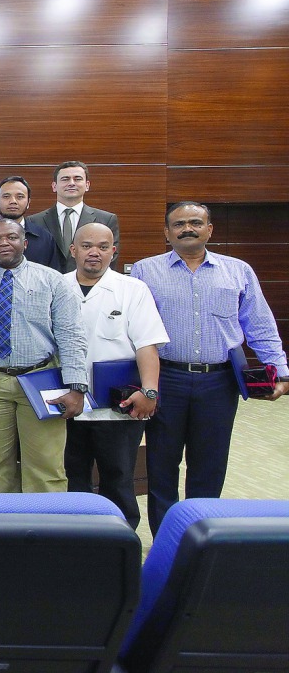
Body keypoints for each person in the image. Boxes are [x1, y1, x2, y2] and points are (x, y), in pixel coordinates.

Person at [131, 201, 288, 534]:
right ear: (167, 232)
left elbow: (259, 325)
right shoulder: (145, 270)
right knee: (161, 463)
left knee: (210, 464)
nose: (187, 228)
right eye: (179, 224)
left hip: (219, 382)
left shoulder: (238, 271)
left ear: (209, 229)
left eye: (195, 222)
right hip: (165, 378)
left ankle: (201, 540)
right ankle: (166, 540)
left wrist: (280, 372)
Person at [0, 219, 89, 493]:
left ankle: (47, 530)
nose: (4, 243)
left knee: (46, 465)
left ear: (25, 242)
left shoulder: (51, 280)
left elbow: (71, 334)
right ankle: (3, 530)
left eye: (11, 237)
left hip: (41, 379)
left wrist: (77, 386)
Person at [65, 223, 167, 529]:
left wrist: (150, 392)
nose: (94, 252)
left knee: (119, 475)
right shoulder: (56, 286)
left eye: (102, 246)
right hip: (67, 402)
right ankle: (75, 537)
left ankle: (120, 540)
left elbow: (147, 345)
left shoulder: (133, 289)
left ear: (114, 251)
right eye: (86, 245)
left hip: (117, 406)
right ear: (73, 251)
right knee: (72, 474)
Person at [34, 161, 121, 273]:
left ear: (87, 185)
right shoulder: (35, 221)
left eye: (77, 179)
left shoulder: (106, 219)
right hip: (46, 286)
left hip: (89, 285)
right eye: (65, 179)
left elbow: (110, 257)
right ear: (54, 186)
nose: (71, 183)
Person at [0, 176, 62, 269]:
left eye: (20, 197)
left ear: (28, 203)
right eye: (6, 196)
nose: (13, 201)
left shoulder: (44, 238)